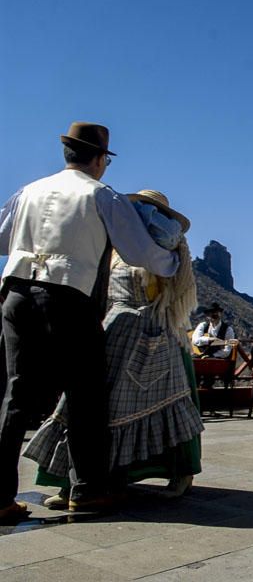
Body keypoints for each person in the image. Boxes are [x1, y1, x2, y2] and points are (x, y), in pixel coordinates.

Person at [0, 123, 180, 521]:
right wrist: (172, 262)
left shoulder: (28, 191)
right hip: (67, 298)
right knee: (86, 395)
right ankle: (87, 491)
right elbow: (137, 252)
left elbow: (1, 239)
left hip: (14, 294)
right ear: (100, 160)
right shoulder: (101, 195)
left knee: (14, 396)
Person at [25, 189, 203, 505]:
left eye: (150, 210)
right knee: (87, 405)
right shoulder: (118, 246)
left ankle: (180, 473)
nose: (143, 214)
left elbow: (167, 277)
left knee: (164, 407)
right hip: (112, 328)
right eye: (140, 208)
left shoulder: (164, 244)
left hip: (151, 331)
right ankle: (77, 482)